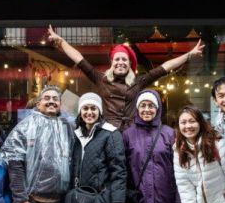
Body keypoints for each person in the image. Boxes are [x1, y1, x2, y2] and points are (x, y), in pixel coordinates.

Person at [46, 25, 204, 131]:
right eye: (117, 59)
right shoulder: (101, 79)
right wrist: (61, 42)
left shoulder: (138, 81)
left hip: (132, 133)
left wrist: (189, 55)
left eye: (124, 60)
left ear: (129, 64)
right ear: (112, 62)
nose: (120, 62)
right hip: (107, 133)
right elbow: (79, 59)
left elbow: (164, 67)